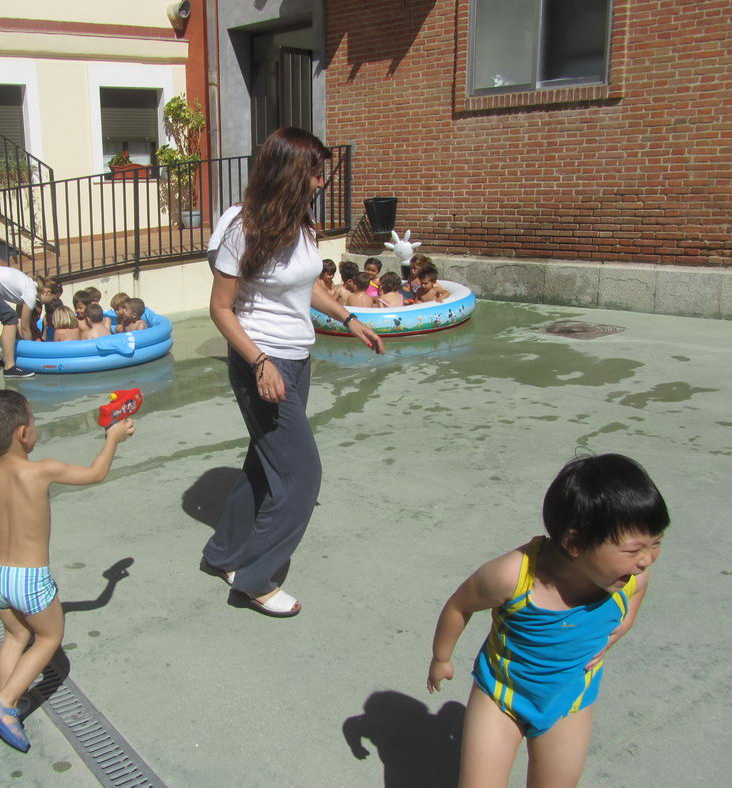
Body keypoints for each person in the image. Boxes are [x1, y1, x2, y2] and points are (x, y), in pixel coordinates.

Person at [201, 127, 384, 617]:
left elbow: (306, 288)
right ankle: (254, 580)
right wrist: (260, 362)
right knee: (303, 475)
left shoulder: (301, 222)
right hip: (262, 361)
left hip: (298, 359)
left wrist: (349, 318)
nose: (322, 181)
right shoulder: (242, 228)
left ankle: (223, 554)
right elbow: (220, 309)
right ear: (288, 172)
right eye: (315, 172)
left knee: (265, 463)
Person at [426, 453, 669, 787]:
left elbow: (640, 588)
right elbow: (459, 605)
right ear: (575, 543)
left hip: (569, 702)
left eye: (656, 543)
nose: (646, 560)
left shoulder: (630, 577)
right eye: (633, 550)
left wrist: (622, 627)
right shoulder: (512, 576)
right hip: (502, 696)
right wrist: (442, 657)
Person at [0, 389, 135, 752]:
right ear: (22, 434)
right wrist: (113, 438)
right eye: (33, 420)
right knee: (48, 638)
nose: (34, 425)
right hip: (29, 578)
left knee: (15, 637)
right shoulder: (42, 470)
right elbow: (95, 474)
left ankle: (10, 699)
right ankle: (5, 703)